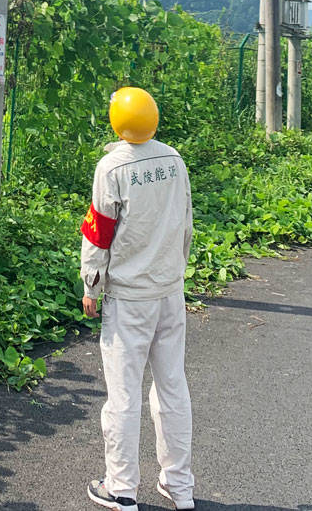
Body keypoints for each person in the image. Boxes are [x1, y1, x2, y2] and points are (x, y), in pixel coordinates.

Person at [80, 86, 195, 511]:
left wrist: (91, 284)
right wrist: (174, 273)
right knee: (172, 387)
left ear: (117, 122)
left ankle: (122, 487)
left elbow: (99, 233)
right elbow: (185, 223)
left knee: (123, 393)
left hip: (130, 298)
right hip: (169, 291)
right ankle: (180, 488)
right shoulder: (173, 159)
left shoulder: (112, 168)